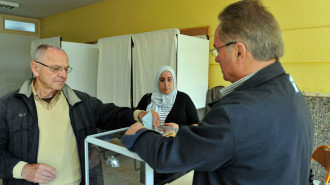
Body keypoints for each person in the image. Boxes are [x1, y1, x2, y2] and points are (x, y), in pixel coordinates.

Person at [121, 0, 314, 184]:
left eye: (217, 50)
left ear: (239, 52)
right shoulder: (292, 93)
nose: (216, 59)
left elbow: (168, 156)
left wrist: (140, 134)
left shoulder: (235, 113)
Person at [0, 44, 160, 185]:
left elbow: (111, 113)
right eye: (56, 68)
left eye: (66, 69)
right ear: (36, 68)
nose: (63, 75)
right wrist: (22, 170)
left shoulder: (80, 101)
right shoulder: (8, 105)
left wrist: (138, 114)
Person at [136, 65, 199, 185]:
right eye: (162, 80)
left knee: (175, 182)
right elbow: (135, 118)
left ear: (174, 80)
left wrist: (179, 128)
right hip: (151, 151)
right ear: (157, 81)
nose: (166, 84)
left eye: (169, 79)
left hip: (175, 153)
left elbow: (196, 125)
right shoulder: (147, 99)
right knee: (151, 181)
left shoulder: (184, 99)